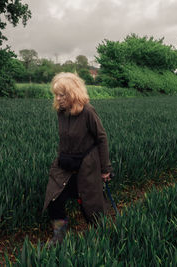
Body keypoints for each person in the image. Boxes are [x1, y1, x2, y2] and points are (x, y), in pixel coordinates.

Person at [42, 72, 113, 246]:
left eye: (62, 95)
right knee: (54, 198)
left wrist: (105, 169)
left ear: (73, 93)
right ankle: (59, 236)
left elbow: (101, 138)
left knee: (89, 203)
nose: (58, 98)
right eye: (56, 95)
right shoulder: (62, 112)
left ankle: (99, 237)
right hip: (65, 164)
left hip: (86, 166)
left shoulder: (88, 111)